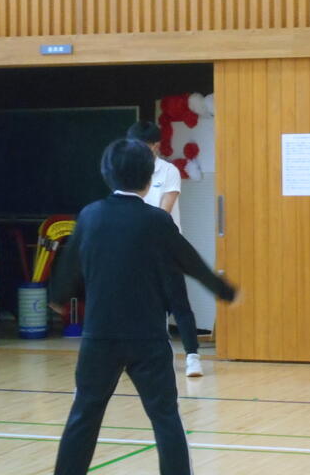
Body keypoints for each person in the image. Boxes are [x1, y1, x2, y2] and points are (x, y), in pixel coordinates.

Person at [50, 138, 238, 475]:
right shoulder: (157, 221)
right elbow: (190, 261)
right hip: (148, 339)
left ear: (106, 173)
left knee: (84, 415)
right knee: (165, 417)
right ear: (150, 177)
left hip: (99, 338)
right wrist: (223, 290)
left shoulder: (90, 216)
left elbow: (69, 267)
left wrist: (59, 296)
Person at [127, 120, 203, 378]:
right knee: (145, 304)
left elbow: (164, 210)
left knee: (177, 301)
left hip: (166, 246)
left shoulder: (168, 171)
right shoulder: (128, 172)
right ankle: (158, 353)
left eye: (141, 145)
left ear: (155, 146)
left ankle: (193, 356)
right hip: (138, 247)